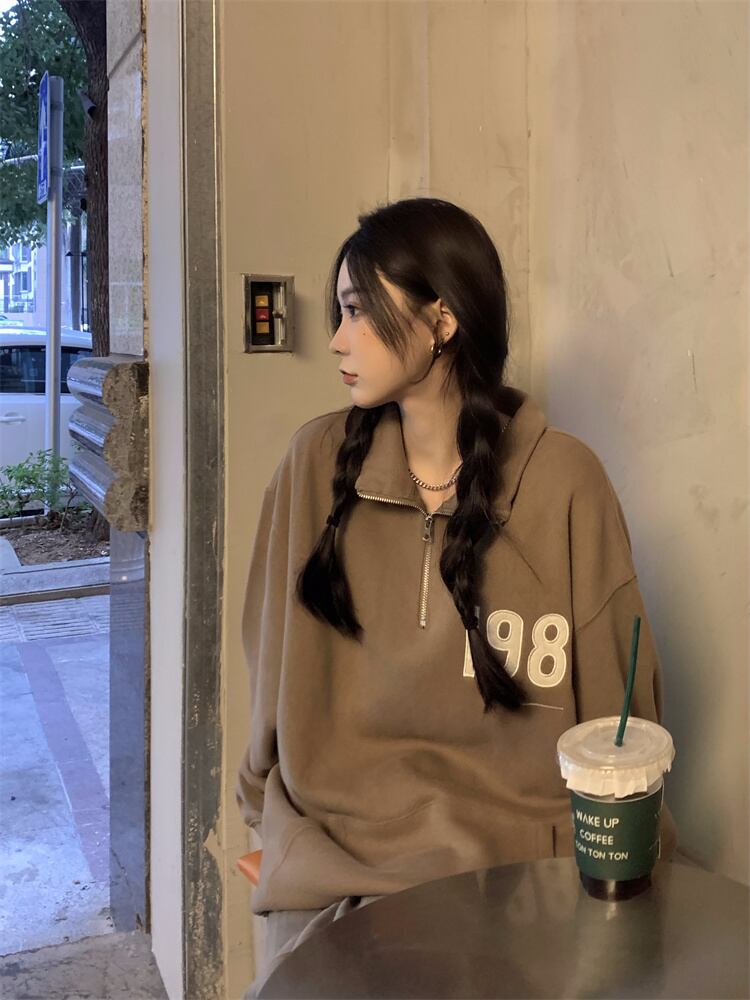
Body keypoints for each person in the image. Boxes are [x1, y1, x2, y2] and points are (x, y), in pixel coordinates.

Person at [236, 197, 675, 996]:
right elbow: (268, 664)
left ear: (442, 320)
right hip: (333, 862)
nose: (336, 339)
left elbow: (623, 724)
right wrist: (264, 822)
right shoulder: (313, 466)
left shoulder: (566, 482)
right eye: (340, 312)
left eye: (358, 311)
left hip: (520, 880)